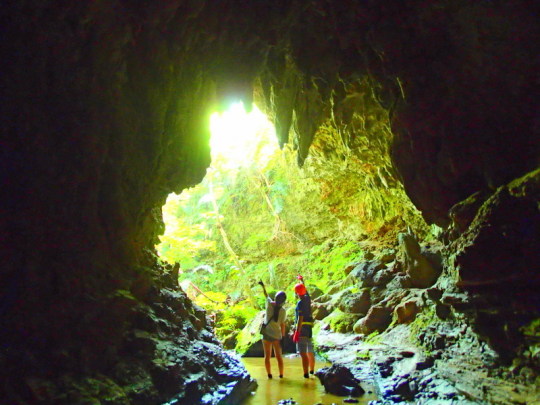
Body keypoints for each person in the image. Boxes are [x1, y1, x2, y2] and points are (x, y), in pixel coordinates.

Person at [258, 281, 287, 379]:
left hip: (266, 334)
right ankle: (281, 375)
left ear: (275, 298)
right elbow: (283, 325)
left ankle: (269, 375)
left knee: (267, 356)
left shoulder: (269, 304)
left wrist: (263, 286)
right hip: (277, 336)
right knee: (279, 357)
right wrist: (283, 338)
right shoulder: (283, 311)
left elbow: (266, 295)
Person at [292, 274, 315, 378]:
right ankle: (312, 371)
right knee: (310, 351)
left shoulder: (300, 303)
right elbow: (305, 291)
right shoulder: (307, 299)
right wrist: (302, 280)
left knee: (303, 353)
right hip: (309, 329)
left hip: (302, 329)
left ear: (297, 293)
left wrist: (297, 332)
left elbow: (300, 318)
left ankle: (306, 374)